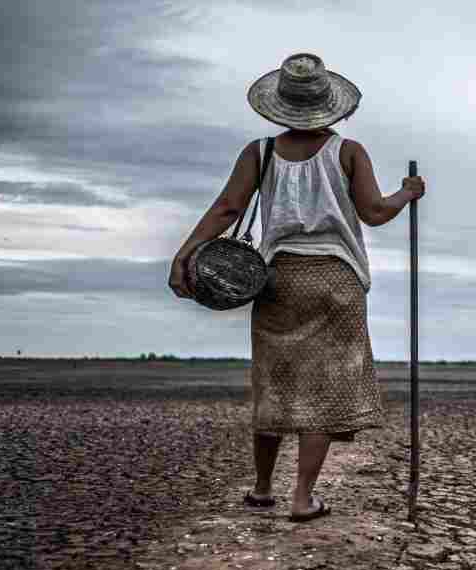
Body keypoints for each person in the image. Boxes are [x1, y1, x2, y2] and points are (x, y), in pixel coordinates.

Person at [168, 53, 425, 522]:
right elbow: (374, 212)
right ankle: (303, 498)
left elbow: (228, 208)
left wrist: (185, 253)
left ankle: (263, 488)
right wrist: (407, 194)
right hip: (337, 280)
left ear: (280, 105)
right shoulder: (348, 151)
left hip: (277, 279)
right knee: (325, 391)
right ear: (331, 106)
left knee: (275, 382)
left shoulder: (259, 152)